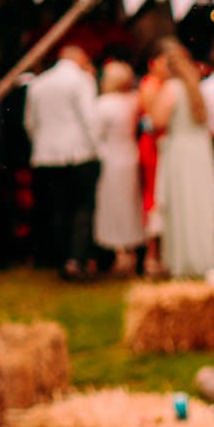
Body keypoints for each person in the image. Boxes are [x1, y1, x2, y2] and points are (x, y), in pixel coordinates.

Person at [22, 45, 102, 280]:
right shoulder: (81, 81)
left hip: (46, 156)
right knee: (81, 208)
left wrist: (41, 146)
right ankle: (76, 260)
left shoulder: (38, 84)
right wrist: (96, 150)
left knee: (57, 209)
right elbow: (90, 119)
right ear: (79, 58)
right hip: (77, 154)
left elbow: (30, 123)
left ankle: (58, 257)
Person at [148, 40, 214, 279]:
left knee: (183, 204)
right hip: (199, 151)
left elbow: (157, 120)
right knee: (199, 204)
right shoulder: (195, 87)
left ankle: (186, 261)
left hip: (180, 152)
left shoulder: (171, 88)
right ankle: (206, 257)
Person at [91, 60, 145, 271]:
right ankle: (135, 247)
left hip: (111, 158)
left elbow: (95, 134)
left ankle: (112, 249)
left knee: (111, 205)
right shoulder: (134, 100)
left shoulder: (104, 104)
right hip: (131, 154)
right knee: (132, 203)